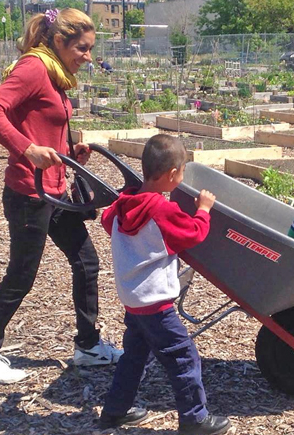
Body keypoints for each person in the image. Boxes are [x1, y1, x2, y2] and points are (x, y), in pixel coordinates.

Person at [0, 8, 122, 385]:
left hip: (55, 191)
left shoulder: (55, 74)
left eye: (90, 49)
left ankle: (88, 346)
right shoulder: (35, 68)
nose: (88, 56)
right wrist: (27, 150)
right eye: (83, 48)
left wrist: (72, 153)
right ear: (60, 41)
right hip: (29, 192)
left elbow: (42, 125)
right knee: (21, 275)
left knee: (86, 263)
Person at [98, 134, 231, 434]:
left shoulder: (121, 206)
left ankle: (114, 411)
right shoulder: (162, 211)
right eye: (181, 172)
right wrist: (204, 209)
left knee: (134, 356)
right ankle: (195, 419)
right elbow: (194, 233)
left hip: (134, 301)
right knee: (183, 358)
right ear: (173, 175)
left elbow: (108, 221)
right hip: (157, 304)